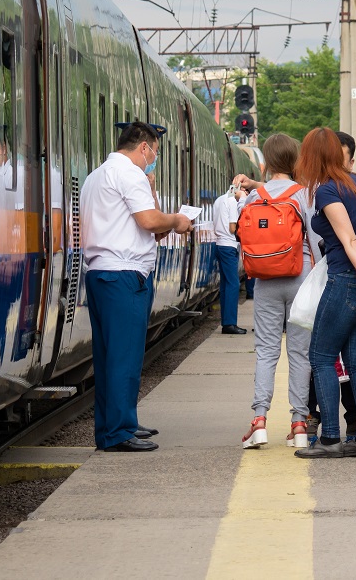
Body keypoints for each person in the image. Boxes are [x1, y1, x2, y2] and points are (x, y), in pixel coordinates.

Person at [81, 122, 192, 452]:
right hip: (124, 277)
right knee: (124, 358)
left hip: (101, 274)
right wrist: (177, 220)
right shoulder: (128, 173)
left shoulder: (96, 176)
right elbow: (151, 221)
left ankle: (115, 425)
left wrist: (152, 189)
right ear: (144, 147)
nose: (153, 159)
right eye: (154, 152)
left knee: (108, 358)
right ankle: (118, 432)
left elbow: (147, 225)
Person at [292, 127, 356, 459]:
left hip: (348, 279)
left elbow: (348, 240)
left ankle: (331, 438)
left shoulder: (329, 191)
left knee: (320, 357)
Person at [233, 133, 316, 450]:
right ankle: (298, 424)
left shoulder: (256, 198)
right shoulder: (304, 196)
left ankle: (259, 421)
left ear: (265, 165)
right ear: (296, 162)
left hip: (265, 281)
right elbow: (316, 241)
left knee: (266, 351)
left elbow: (243, 239)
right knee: (299, 353)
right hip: (300, 279)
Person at [212, 184, 247, 334]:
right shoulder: (233, 202)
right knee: (233, 284)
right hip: (229, 245)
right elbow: (233, 228)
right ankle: (230, 324)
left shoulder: (219, 199)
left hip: (219, 245)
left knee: (226, 284)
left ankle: (226, 322)